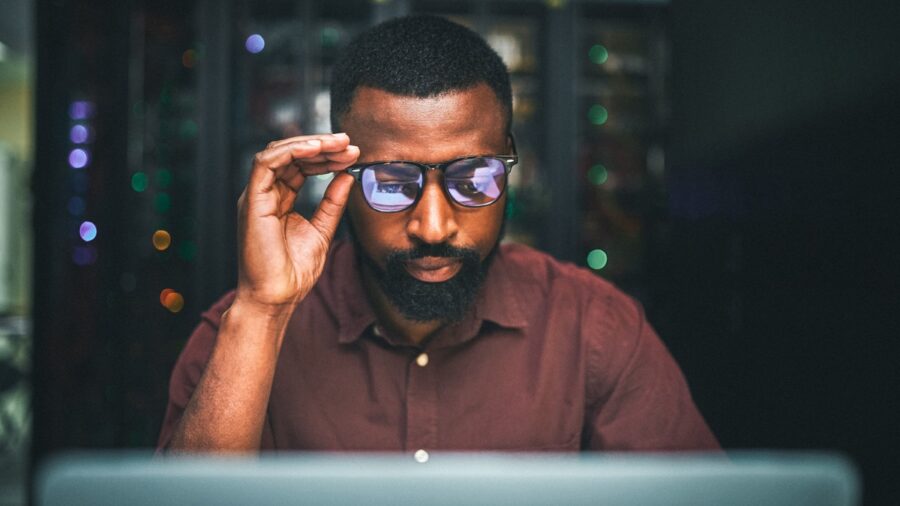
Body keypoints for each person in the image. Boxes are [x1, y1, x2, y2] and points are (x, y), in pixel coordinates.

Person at [158, 15, 719, 454]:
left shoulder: (594, 328)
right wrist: (261, 311)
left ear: (510, 165)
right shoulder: (243, 331)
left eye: (473, 178)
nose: (433, 226)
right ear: (340, 178)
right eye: (392, 181)